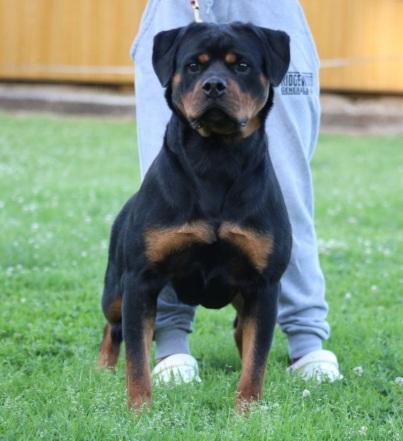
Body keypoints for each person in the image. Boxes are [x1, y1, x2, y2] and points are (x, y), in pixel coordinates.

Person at [131, 0, 342, 383]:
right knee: (164, 194)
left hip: (270, 8)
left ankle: (306, 339)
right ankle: (171, 344)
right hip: (176, 7)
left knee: (287, 186)